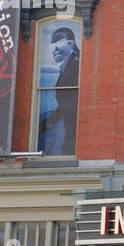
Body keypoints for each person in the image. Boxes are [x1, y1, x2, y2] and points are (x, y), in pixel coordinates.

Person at [39, 27, 80, 155]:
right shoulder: (67, 68)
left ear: (72, 46)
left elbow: (69, 104)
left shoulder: (74, 69)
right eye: (52, 45)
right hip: (70, 133)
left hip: (73, 136)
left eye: (60, 43)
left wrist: (50, 121)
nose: (55, 49)